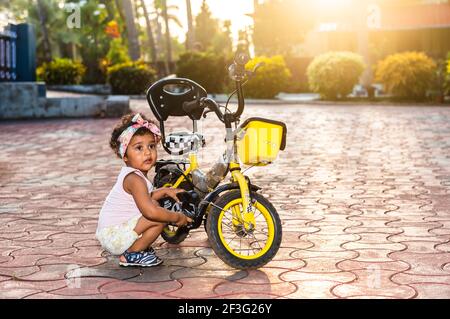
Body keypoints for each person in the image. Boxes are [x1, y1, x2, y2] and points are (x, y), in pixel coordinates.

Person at [96, 113, 192, 267]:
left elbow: (144, 197)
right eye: (139, 148)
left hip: (111, 233)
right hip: (113, 236)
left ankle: (137, 248)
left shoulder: (134, 176)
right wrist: (176, 217)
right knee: (158, 216)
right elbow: (150, 212)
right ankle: (132, 254)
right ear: (125, 156)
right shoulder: (134, 179)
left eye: (151, 146)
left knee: (154, 205)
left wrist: (165, 191)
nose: (147, 152)